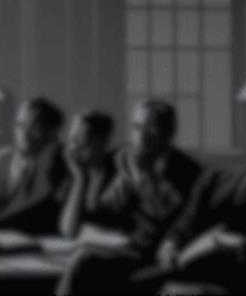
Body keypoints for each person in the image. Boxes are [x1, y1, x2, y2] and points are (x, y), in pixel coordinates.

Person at [136, 112, 246, 293]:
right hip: (190, 259)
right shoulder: (217, 177)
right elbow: (187, 220)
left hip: (237, 268)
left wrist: (235, 242)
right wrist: (171, 242)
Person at [56, 100, 203, 294]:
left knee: (84, 262)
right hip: (129, 249)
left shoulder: (186, 171)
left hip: (163, 256)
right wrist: (81, 178)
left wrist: (140, 177)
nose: (141, 136)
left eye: (150, 128)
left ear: (169, 133)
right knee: (81, 260)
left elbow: (165, 215)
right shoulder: (125, 160)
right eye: (136, 127)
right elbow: (95, 217)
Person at [0, 97, 68, 236]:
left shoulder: (63, 165)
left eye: (34, 127)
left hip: (44, 240)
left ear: (51, 133)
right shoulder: (0, 159)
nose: (24, 133)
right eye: (20, 125)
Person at [59, 109, 117, 237]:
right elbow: (68, 230)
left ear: (103, 142)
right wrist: (79, 178)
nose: (73, 148)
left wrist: (79, 178)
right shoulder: (73, 173)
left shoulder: (117, 175)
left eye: (82, 140)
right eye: (72, 140)